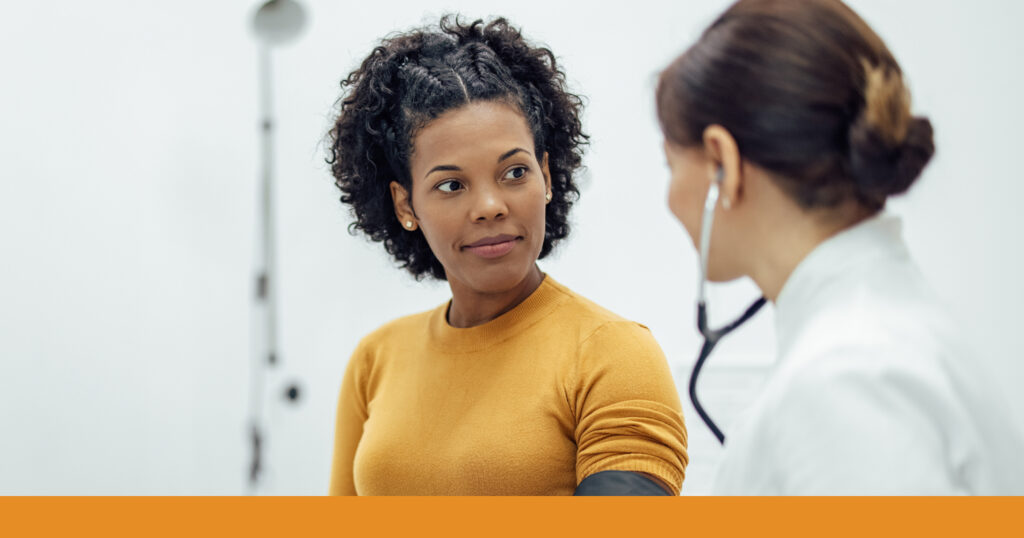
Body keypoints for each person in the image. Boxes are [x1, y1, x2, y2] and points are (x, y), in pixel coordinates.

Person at [656, 0, 1024, 494]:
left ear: (724, 163)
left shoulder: (846, 379)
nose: (669, 198)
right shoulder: (880, 341)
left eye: (671, 164)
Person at [325, 16, 687, 496]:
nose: (491, 207)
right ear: (406, 204)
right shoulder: (376, 360)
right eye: (451, 185)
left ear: (547, 176)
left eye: (514, 173)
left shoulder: (612, 354)